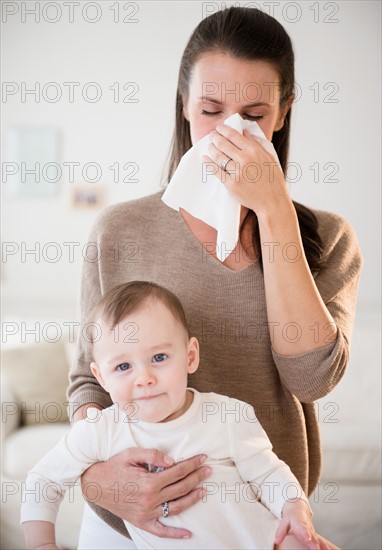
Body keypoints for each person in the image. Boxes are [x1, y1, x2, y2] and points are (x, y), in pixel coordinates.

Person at [68, 6, 362, 548]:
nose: (230, 131)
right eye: (210, 109)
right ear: (183, 106)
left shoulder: (329, 237)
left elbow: (312, 379)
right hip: (129, 526)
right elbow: (89, 381)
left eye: (253, 113)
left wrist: (274, 214)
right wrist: (97, 479)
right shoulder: (119, 230)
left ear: (283, 112)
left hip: (259, 522)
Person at [23, 281, 323, 550]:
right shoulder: (101, 431)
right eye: (123, 367)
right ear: (101, 378)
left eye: (159, 358)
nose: (145, 378)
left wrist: (294, 507)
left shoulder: (226, 414)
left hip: (262, 541)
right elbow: (43, 481)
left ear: (190, 356)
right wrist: (41, 544)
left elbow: (268, 473)